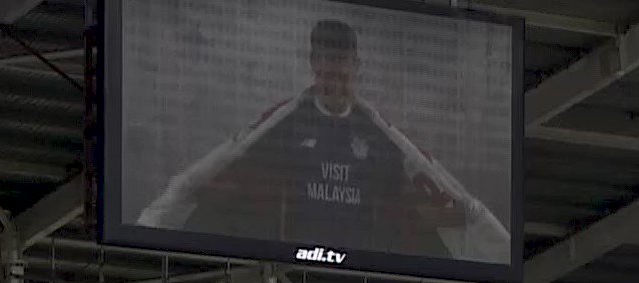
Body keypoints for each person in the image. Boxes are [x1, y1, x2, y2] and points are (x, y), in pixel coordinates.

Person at [138, 19, 508, 262]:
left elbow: (411, 202)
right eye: (327, 59)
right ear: (314, 62)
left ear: (356, 65)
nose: (334, 70)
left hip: (362, 266)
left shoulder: (378, 136)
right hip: (290, 262)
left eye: (342, 60)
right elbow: (227, 177)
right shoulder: (284, 125)